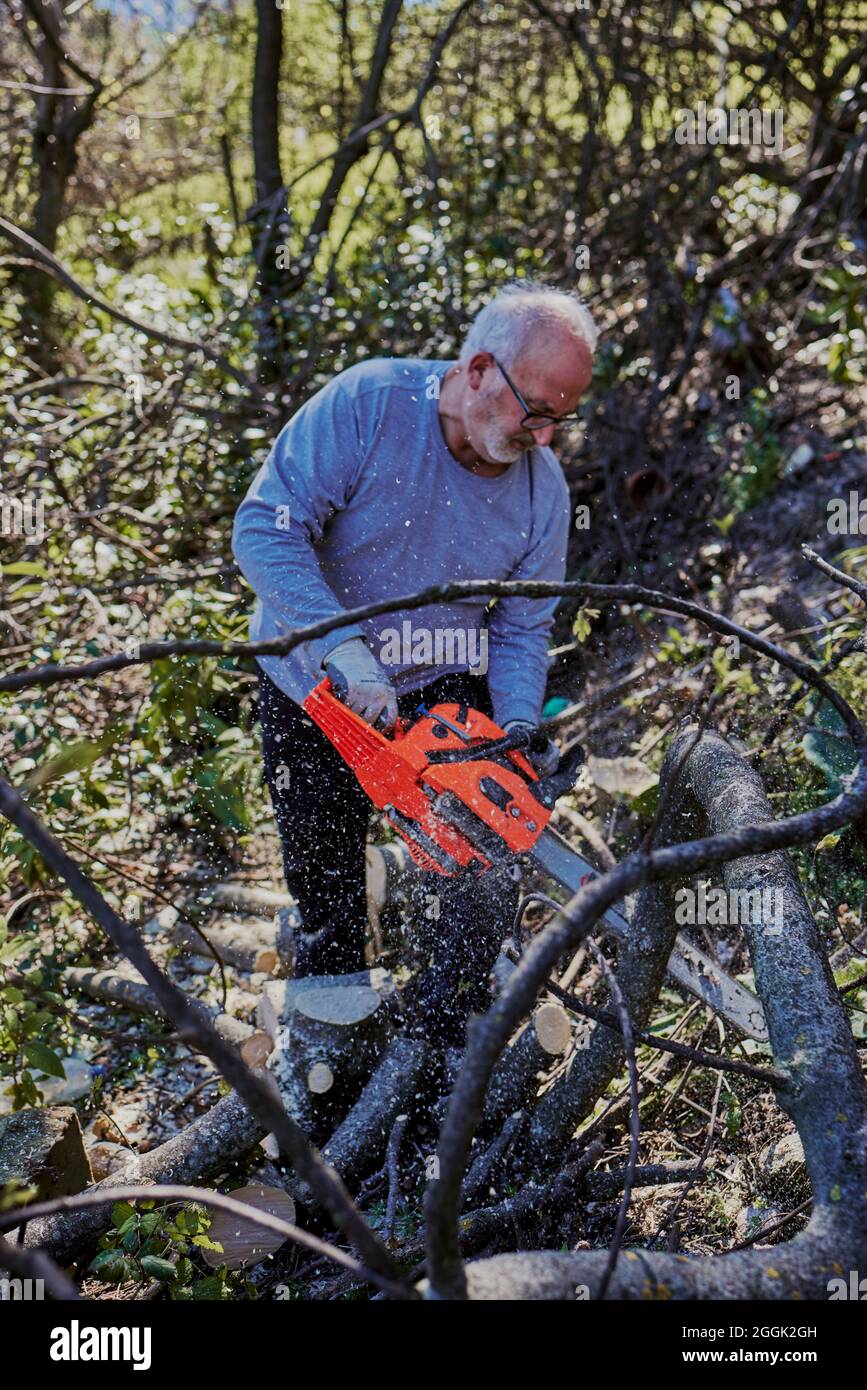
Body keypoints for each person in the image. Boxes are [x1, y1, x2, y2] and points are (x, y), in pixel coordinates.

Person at [232, 280, 596, 1045]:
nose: (543, 435)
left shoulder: (543, 493)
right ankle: (329, 1085)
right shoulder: (369, 405)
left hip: (441, 687)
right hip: (315, 686)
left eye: (560, 418)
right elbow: (266, 528)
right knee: (328, 893)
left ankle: (436, 1054)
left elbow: (524, 627)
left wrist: (519, 724)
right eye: (534, 409)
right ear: (475, 370)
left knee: (476, 876)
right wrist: (344, 648)